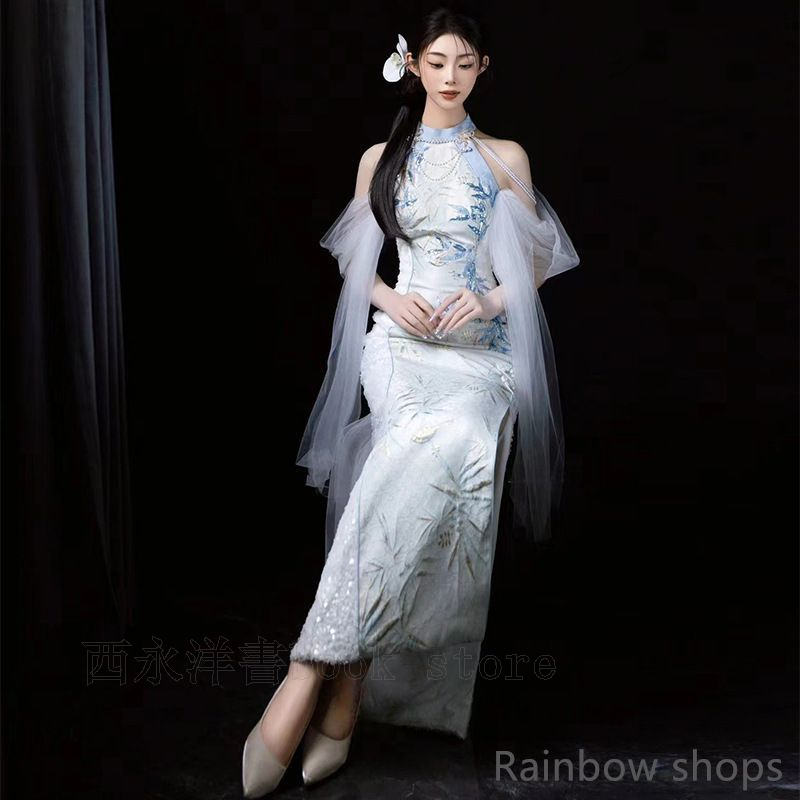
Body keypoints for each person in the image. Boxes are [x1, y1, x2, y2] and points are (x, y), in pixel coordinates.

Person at [242, 8, 580, 796]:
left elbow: (537, 261)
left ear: (483, 68)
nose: (450, 76)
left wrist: (487, 301)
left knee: (454, 439)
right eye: (437, 61)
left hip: (479, 358)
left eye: (465, 62)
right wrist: (392, 302)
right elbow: (353, 261)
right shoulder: (381, 159)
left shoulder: (503, 157)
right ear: (415, 66)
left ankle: (320, 669)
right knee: (413, 443)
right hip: (399, 348)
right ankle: (334, 683)